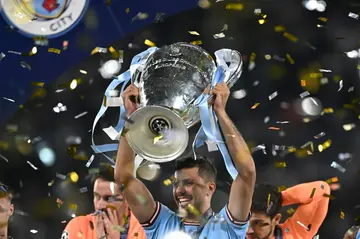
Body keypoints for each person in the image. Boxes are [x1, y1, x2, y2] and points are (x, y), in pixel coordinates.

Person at [114, 83, 256, 239]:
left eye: (188, 183)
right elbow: (123, 178)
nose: (179, 190)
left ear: (210, 188)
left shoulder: (227, 227)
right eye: (176, 183)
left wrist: (220, 112)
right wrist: (132, 117)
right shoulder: (161, 223)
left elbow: (247, 173)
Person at [61, 165, 146, 239]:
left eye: (108, 198)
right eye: (97, 197)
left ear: (127, 199)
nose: (99, 205)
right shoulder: (78, 227)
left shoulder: (146, 230)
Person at [246, 181, 331, 239]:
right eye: (244, 221)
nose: (248, 231)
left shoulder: (294, 234)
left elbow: (321, 191)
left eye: (257, 223)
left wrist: (276, 200)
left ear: (276, 219)